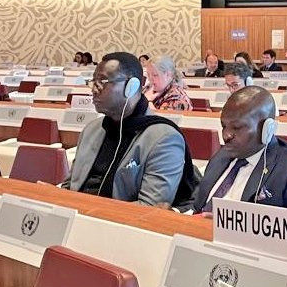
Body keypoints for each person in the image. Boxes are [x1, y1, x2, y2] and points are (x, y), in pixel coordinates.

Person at [62, 52, 197, 208]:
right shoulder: (92, 130)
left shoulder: (164, 139)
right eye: (94, 82)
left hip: (113, 220)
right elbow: (69, 186)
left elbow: (149, 209)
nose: (94, 89)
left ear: (130, 87)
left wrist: (87, 210)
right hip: (77, 213)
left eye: (102, 81)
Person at [189, 87, 287, 231]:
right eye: (224, 126)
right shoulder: (222, 156)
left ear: (266, 129)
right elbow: (196, 205)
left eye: (237, 128)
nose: (226, 135)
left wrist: (234, 225)